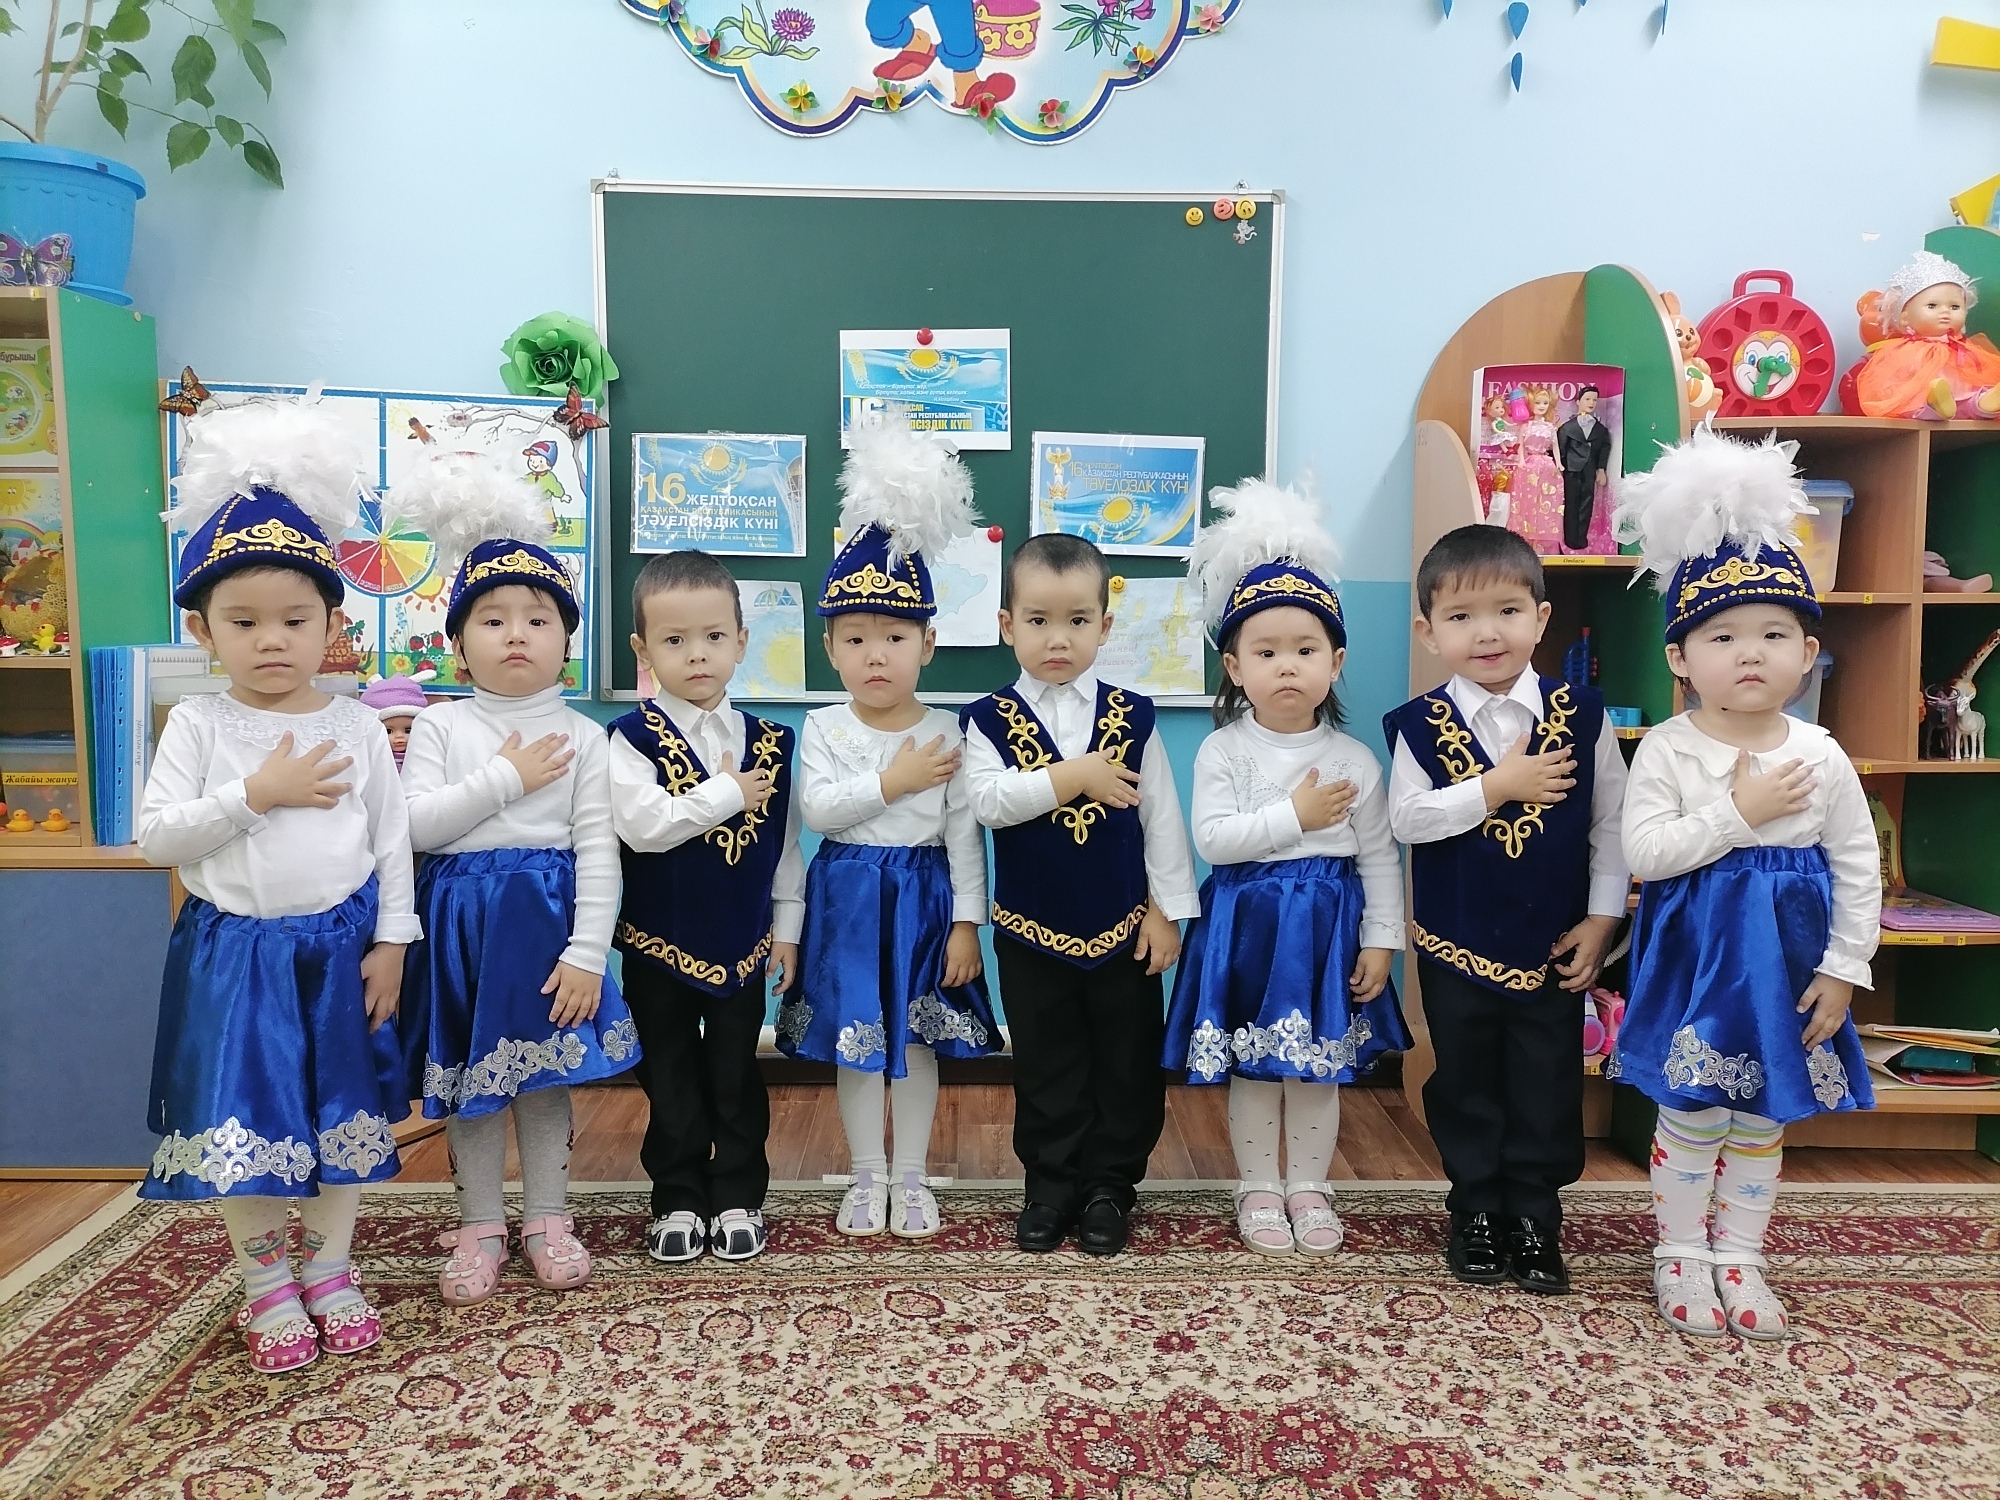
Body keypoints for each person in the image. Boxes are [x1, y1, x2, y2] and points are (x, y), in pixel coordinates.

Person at [138, 399, 415, 1373]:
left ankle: (330, 1269)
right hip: (236, 958)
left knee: (341, 1117)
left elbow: (391, 838)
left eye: (295, 620)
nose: (271, 640)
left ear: (332, 623)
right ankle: (266, 1283)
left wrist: (393, 942)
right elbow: (157, 838)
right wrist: (257, 793)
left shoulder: (353, 725)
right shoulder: (198, 725)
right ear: (202, 628)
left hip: (339, 953)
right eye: (243, 622)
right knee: (244, 1123)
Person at [1610, 426, 1879, 1340]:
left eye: (1774, 634)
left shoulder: (1823, 753)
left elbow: (1857, 865)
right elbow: (1648, 854)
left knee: (1763, 1120)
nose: (1750, 652)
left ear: (1809, 653)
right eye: (1722, 636)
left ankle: (1741, 1255)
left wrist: (1844, 968)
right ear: (1680, 658)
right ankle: (1680, 1250)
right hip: (1697, 967)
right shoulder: (1669, 749)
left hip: (1788, 971)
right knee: (1693, 1112)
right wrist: (1739, 812)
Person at [392, 451, 638, 1306]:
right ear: (458, 645)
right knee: (472, 1085)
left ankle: (547, 1218)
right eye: (492, 620)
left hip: (544, 932)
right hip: (460, 934)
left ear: (567, 642)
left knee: (542, 1079)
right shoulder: (438, 729)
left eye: (538, 618)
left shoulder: (587, 737)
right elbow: (417, 827)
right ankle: (479, 1225)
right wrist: (505, 776)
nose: (516, 633)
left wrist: (587, 952)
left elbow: (599, 849)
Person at [1163, 479, 1408, 1255]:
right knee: (1255, 1068)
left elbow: (1380, 856)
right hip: (1247, 928)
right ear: (1234, 667)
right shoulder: (1223, 749)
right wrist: (1294, 816)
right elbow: (1215, 842)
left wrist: (1383, 940)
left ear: (1335, 661)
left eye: (1305, 650)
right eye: (1266, 653)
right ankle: (1259, 1187)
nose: (1287, 667)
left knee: (1315, 1068)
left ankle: (1308, 1185)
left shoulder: (1355, 759)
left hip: (1327, 931)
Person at [1384, 523, 1629, 1295]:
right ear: (1429, 631)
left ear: (1541, 618)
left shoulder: (1583, 715)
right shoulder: (1417, 725)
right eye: (1461, 617)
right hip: (1454, 943)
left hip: (1552, 946)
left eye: (1507, 611)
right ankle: (1476, 1212)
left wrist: (1601, 919)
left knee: (1546, 1082)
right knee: (1466, 1081)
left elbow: (1612, 824)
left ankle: (1535, 1218)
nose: (1486, 633)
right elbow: (1407, 820)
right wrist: (1494, 788)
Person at [776, 415, 997, 1239]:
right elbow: (820, 813)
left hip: (924, 898)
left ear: (928, 643)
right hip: (847, 897)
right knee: (857, 1040)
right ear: (830, 647)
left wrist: (968, 921)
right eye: (857, 639)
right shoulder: (825, 727)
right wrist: (893, 780)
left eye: (896, 637)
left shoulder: (949, 729)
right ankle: (867, 1175)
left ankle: (912, 1177)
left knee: (919, 1041)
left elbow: (965, 833)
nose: (877, 654)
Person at [961, 533, 1200, 1257]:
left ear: (1104, 624)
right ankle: (1050, 1186)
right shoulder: (986, 719)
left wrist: (1165, 912)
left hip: (1124, 931)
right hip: (1030, 933)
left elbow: (1162, 819)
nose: (1057, 638)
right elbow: (988, 802)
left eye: (1076, 620)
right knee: (1045, 1061)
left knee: (1126, 1063)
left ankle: (1108, 1187)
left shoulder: (1135, 715)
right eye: (1038, 620)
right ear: (1007, 625)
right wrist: (1073, 777)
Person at [609, 550, 804, 1264]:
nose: (697, 654)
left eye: (714, 636)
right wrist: (726, 794)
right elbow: (644, 827)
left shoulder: (774, 744)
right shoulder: (629, 740)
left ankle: (739, 1194)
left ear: (742, 641)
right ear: (643, 650)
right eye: (675, 639)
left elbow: (785, 848)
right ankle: (678, 1197)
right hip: (657, 945)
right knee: (668, 1075)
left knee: (735, 1073)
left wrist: (787, 931)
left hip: (743, 946)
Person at [1555, 384, 1612, 552]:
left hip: (1589, 469)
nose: (1591, 403)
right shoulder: (1567, 427)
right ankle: (1570, 539)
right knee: (1571, 503)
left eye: (1594, 400)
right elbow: (1561, 448)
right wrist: (1559, 468)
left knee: (1587, 503)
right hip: (1571, 470)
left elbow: (1604, 449)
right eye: (1587, 399)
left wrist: (1601, 469)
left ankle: (1581, 538)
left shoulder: (1600, 429)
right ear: (1578, 401)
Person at [360, 674, 429, 768]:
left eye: (408, 730)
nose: (399, 736)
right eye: (388, 731)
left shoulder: (426, 756)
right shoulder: (371, 760)